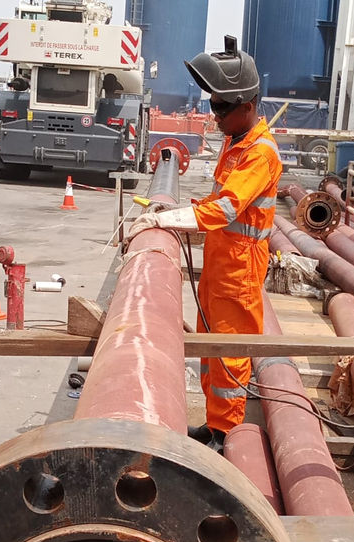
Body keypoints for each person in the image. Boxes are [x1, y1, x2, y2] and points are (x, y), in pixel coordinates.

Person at [127, 37, 282, 452]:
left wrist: (166, 219)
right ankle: (214, 424)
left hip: (239, 272)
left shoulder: (260, 154)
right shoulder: (236, 142)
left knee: (229, 352)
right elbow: (218, 200)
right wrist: (181, 213)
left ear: (247, 106)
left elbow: (226, 209)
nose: (215, 115)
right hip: (219, 264)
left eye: (222, 108)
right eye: (213, 105)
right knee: (210, 346)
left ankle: (228, 434)